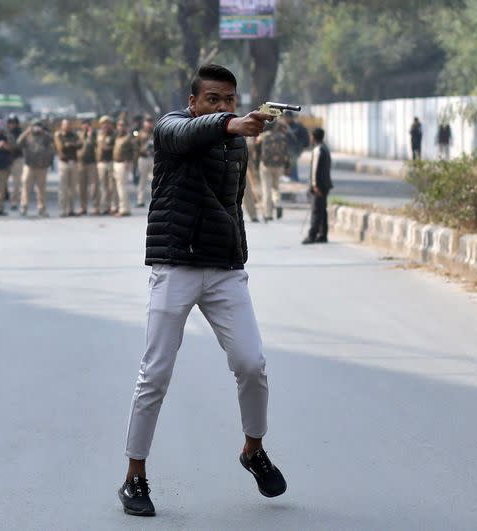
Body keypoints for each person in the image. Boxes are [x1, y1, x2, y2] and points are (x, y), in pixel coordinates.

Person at [119, 64, 287, 518]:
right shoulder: (171, 129)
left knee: (252, 365)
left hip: (225, 270)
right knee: (154, 375)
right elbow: (187, 135)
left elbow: (232, 204)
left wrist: (238, 251)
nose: (222, 106)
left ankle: (253, 449)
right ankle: (134, 475)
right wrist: (230, 123)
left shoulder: (236, 146)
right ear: (193, 102)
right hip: (175, 266)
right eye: (212, 99)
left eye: (229, 100)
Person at [17, 120, 55, 217]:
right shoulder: (27, 136)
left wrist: (44, 132)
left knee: (41, 189)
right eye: (35, 126)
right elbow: (18, 143)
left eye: (38, 126)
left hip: (42, 166)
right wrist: (26, 132)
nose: (36, 128)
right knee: (26, 186)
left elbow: (52, 141)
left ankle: (41, 208)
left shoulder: (45, 137)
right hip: (29, 165)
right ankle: (24, 206)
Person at [302, 127, 333, 244]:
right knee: (322, 210)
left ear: (313, 137)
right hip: (325, 184)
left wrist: (314, 185)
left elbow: (315, 170)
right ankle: (323, 234)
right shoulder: (325, 149)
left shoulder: (317, 150)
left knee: (316, 211)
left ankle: (312, 235)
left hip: (318, 186)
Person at [256, 120, 290, 221]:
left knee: (266, 189)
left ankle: (268, 214)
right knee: (276, 187)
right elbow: (286, 152)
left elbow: (257, 149)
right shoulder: (282, 136)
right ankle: (277, 203)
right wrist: (287, 166)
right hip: (279, 165)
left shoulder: (263, 136)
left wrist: (257, 163)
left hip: (266, 165)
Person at [54, 119, 82, 217]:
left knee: (72, 188)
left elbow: (80, 144)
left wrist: (70, 144)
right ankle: (63, 209)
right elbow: (61, 147)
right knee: (63, 187)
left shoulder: (74, 135)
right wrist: (71, 145)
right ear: (62, 126)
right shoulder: (58, 135)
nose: (68, 127)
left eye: (69, 125)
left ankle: (71, 209)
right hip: (64, 163)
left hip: (73, 163)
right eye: (66, 125)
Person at [112, 118, 136, 216]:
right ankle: (120, 207)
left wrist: (130, 161)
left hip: (123, 164)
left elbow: (135, 150)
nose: (120, 127)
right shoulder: (118, 137)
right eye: (119, 125)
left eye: (122, 125)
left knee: (122, 187)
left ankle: (124, 209)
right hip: (116, 163)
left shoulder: (128, 138)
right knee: (118, 187)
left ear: (126, 127)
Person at [96, 115, 117, 215]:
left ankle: (113, 206)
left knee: (112, 185)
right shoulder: (99, 134)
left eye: (107, 123)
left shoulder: (114, 134)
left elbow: (116, 147)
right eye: (103, 124)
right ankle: (104, 206)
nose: (105, 125)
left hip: (111, 162)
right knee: (103, 186)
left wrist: (108, 147)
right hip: (101, 162)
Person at [77, 119, 98, 215]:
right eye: (84, 125)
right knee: (81, 187)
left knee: (94, 187)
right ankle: (82, 207)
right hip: (81, 163)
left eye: (88, 125)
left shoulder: (95, 135)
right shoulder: (78, 135)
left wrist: (90, 136)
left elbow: (97, 146)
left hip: (92, 163)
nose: (86, 127)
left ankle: (95, 207)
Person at [281, 111, 309, 182]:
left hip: (294, 150)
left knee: (293, 165)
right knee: (284, 166)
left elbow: (305, 138)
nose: (286, 119)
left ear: (291, 117)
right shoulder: (282, 127)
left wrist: (300, 147)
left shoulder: (298, 126)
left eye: (287, 117)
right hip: (283, 151)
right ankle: (286, 180)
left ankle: (294, 179)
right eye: (285, 117)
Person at [135, 116, 155, 207]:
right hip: (143, 158)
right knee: (142, 180)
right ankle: (140, 200)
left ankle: (155, 198)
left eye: (150, 122)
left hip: (152, 158)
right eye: (147, 122)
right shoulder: (140, 133)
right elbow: (136, 146)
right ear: (144, 123)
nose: (148, 124)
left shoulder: (155, 132)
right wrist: (140, 151)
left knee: (154, 179)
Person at [7, 115, 24, 211]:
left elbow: (19, 145)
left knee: (16, 182)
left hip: (17, 158)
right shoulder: (5, 132)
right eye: (10, 122)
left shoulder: (20, 133)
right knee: (2, 182)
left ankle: (15, 201)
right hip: (6, 158)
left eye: (14, 122)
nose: (12, 124)